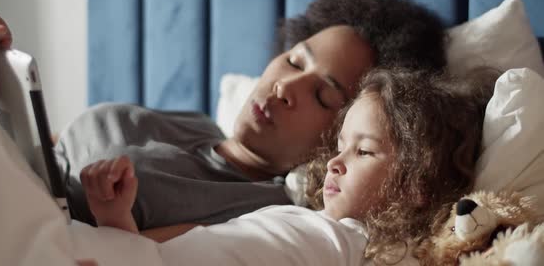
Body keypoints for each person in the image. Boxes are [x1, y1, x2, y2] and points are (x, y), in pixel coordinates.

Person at [53, 0, 448, 237]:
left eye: (322, 96)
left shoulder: (266, 214)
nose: (284, 86)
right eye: (294, 61)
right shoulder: (195, 123)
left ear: (343, 138)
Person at [82, 67, 498, 265]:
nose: (335, 162)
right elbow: (168, 250)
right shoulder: (304, 220)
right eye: (340, 146)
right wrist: (115, 220)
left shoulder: (364, 251)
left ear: (416, 184)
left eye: (364, 151)